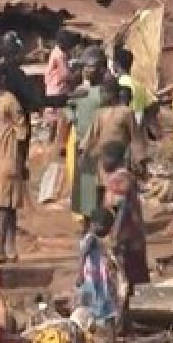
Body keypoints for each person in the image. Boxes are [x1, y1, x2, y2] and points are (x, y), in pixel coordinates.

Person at [101, 141, 151, 341]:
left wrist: (113, 236)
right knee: (132, 281)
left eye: (106, 158)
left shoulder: (119, 182)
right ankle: (131, 321)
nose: (104, 162)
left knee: (122, 283)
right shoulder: (126, 178)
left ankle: (123, 324)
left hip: (124, 240)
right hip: (134, 238)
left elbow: (119, 213)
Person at [0, 64, 29, 262]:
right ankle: (11, 249)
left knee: (1, 205)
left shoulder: (9, 101)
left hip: (8, 158)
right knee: (9, 206)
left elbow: (22, 131)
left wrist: (20, 160)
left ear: (1, 79)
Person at [68, 49, 108, 225]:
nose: (85, 70)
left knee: (99, 184)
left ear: (101, 69)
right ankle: (86, 218)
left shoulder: (105, 93)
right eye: (84, 67)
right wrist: (73, 118)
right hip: (82, 143)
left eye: (90, 66)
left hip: (101, 143)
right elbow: (68, 106)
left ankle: (100, 219)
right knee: (84, 186)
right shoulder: (80, 91)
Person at [77, 207, 117, 335]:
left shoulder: (89, 237)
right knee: (108, 313)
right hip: (96, 281)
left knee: (88, 312)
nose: (107, 231)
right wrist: (80, 274)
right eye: (105, 227)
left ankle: (88, 341)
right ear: (95, 224)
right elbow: (83, 255)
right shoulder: (92, 239)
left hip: (92, 280)